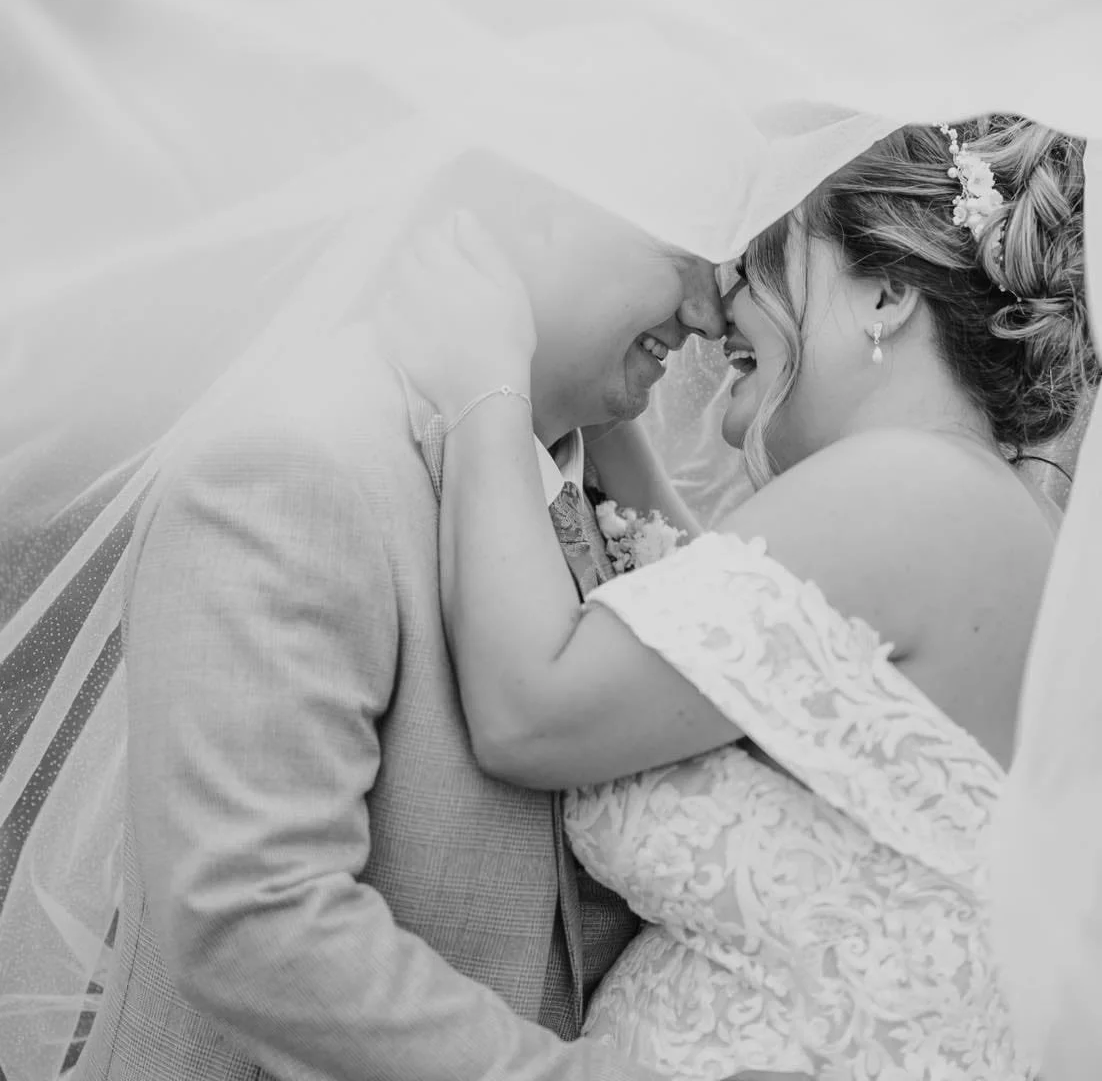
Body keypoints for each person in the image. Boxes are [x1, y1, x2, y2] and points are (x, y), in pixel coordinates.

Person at [381, 113, 1097, 1079]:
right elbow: (695, 610)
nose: (720, 297)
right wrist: (586, 383)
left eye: (764, 250)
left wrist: (486, 386)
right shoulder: (973, 507)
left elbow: (529, 711)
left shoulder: (912, 491)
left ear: (885, 294)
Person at [71, 149, 764, 1081]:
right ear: (536, 207)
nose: (709, 313)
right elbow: (255, 912)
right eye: (678, 249)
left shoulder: (590, 474)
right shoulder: (295, 460)